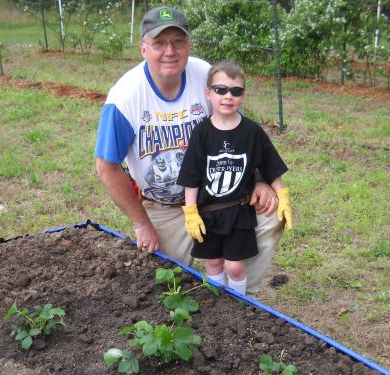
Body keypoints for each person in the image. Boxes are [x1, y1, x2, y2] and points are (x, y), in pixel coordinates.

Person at [95, 6, 284, 296]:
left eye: (178, 42)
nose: (170, 51)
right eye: (159, 43)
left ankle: (244, 300)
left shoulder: (206, 76)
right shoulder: (125, 97)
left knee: (271, 214)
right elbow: (106, 167)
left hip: (224, 201)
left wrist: (259, 180)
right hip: (164, 207)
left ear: (188, 45)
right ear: (143, 48)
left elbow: (241, 134)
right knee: (167, 290)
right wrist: (141, 224)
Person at [176, 61, 292, 296]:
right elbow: (192, 176)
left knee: (235, 266)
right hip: (208, 212)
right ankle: (218, 303)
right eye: (221, 90)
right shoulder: (201, 132)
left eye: (235, 91)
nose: (228, 96)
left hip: (239, 211)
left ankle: (237, 302)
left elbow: (270, 166)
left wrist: (283, 195)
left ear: (242, 96)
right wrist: (190, 211)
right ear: (209, 94)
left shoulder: (252, 132)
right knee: (213, 264)